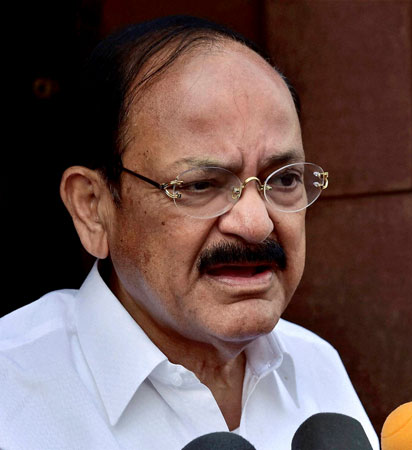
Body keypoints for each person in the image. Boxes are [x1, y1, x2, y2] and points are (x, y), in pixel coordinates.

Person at [0, 15, 378, 450]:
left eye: (284, 179)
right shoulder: (12, 391)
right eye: (201, 185)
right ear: (93, 208)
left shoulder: (314, 364)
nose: (256, 224)